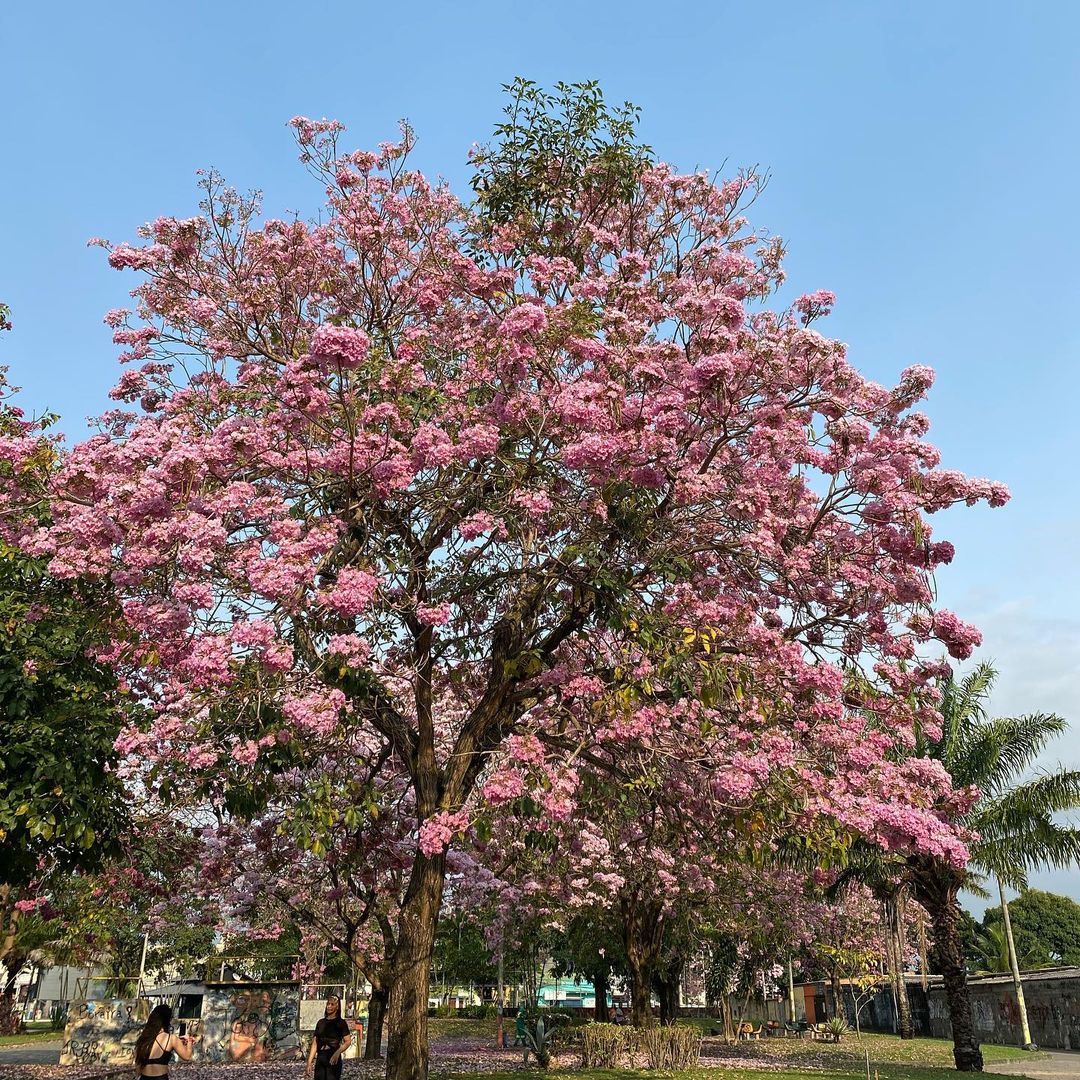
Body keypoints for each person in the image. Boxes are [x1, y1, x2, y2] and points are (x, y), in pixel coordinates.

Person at [133, 1004, 194, 1079]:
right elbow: (187, 1056)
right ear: (167, 1020)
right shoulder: (171, 1038)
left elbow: (138, 1069)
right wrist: (189, 1041)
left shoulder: (144, 1039)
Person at [306, 995, 352, 1080]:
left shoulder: (341, 1023)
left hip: (333, 1057)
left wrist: (337, 1053)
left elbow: (348, 1041)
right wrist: (309, 1062)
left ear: (337, 1007)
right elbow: (315, 1043)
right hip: (321, 1057)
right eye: (328, 1004)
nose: (329, 1006)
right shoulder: (320, 1022)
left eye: (332, 1004)